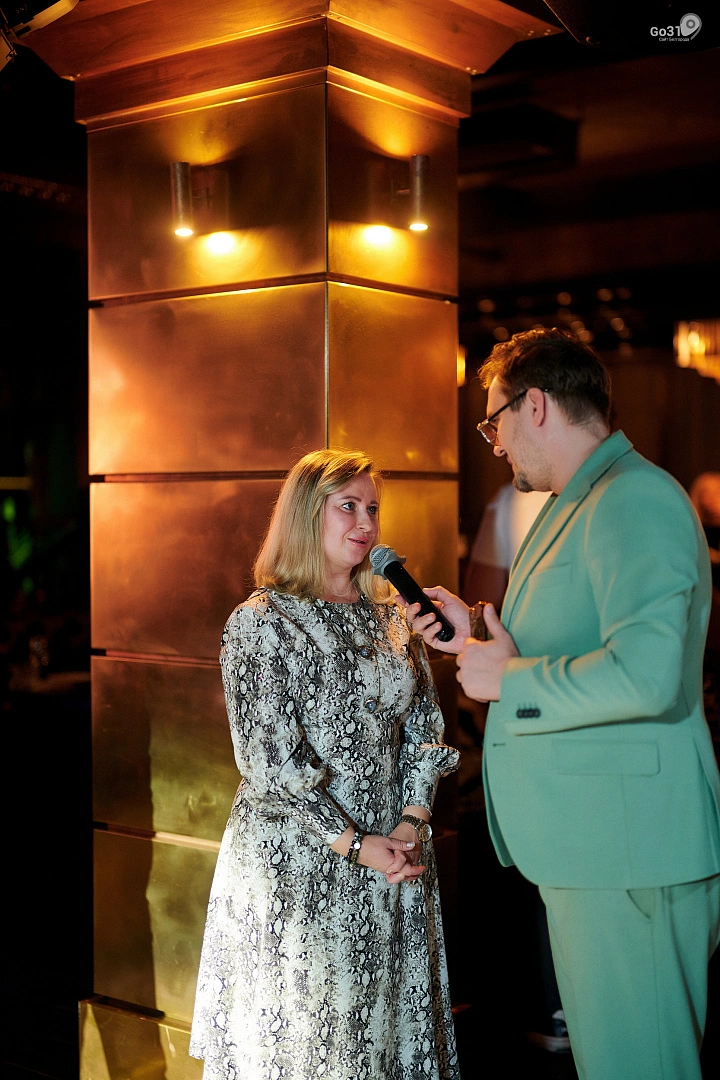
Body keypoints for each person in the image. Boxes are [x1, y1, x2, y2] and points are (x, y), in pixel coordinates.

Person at [404, 328, 720, 1080]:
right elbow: (575, 641)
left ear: (536, 405)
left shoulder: (633, 498)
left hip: (630, 856)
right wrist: (476, 636)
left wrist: (509, 680)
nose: (495, 446)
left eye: (494, 423)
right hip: (601, 849)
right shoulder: (582, 500)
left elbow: (647, 675)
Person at [189, 448, 460, 1080]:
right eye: (348, 506)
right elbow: (270, 762)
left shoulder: (393, 618)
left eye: (373, 509)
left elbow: (424, 729)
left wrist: (410, 823)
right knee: (313, 1043)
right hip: (302, 864)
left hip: (394, 857)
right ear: (307, 514)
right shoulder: (261, 623)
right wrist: (354, 843)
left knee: (383, 1042)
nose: (365, 523)